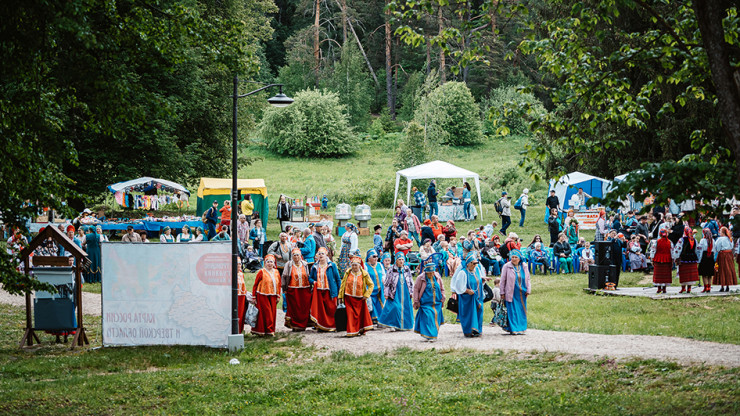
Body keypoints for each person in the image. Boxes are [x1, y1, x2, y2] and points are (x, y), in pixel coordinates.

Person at [338, 256, 374, 337]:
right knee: (350, 315)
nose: (354, 267)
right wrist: (340, 296)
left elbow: (371, 285)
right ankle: (351, 331)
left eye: (356, 265)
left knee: (360, 315)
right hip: (349, 297)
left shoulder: (364, 274)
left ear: (359, 266)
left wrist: (366, 295)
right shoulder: (348, 273)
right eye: (353, 265)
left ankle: (360, 329)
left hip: (360, 299)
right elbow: (342, 285)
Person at [451, 252, 485, 337]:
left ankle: (478, 330)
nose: (475, 265)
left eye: (476, 263)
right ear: (468, 263)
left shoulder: (477, 270)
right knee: (469, 314)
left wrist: (483, 280)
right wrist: (467, 291)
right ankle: (469, 331)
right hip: (467, 298)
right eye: (473, 263)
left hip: (477, 296)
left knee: (479, 311)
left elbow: (478, 280)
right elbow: (459, 287)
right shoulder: (463, 273)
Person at [378, 253, 414, 331]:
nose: (401, 261)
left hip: (405, 292)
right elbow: (387, 283)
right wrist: (386, 293)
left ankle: (403, 326)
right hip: (395, 292)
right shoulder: (391, 269)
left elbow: (411, 281)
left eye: (402, 259)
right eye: (399, 260)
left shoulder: (407, 268)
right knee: (395, 307)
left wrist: (411, 292)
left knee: (405, 308)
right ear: (396, 261)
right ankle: (392, 324)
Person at [309, 247, 342, 331]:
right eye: (319, 253)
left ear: (326, 254)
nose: (321, 255)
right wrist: (314, 282)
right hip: (319, 291)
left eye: (322, 253)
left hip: (330, 291)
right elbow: (310, 278)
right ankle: (321, 326)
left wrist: (339, 292)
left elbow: (338, 279)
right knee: (321, 310)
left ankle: (333, 326)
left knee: (331, 309)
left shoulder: (332, 265)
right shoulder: (315, 266)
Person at [500, 249, 531, 335]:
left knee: (521, 310)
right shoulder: (507, 266)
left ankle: (522, 328)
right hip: (511, 293)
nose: (513, 259)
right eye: (512, 257)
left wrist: (528, 290)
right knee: (512, 311)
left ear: (519, 258)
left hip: (521, 293)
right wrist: (502, 293)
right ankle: (513, 329)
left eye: (515, 257)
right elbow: (502, 280)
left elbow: (528, 279)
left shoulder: (524, 266)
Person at [413, 262, 446, 341]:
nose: (431, 274)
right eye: (429, 273)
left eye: (432, 272)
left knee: (435, 318)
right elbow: (416, 290)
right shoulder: (420, 278)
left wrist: (443, 298)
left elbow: (441, 287)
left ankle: (432, 334)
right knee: (428, 317)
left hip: (437, 303)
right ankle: (430, 335)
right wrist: (416, 301)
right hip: (426, 303)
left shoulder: (437, 276)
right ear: (426, 272)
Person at [250, 254, 281, 336]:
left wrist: (278, 295)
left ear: (274, 263)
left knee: (272, 313)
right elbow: (255, 284)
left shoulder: (276, 272)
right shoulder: (261, 272)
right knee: (267, 313)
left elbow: (279, 284)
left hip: (273, 295)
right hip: (262, 295)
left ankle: (269, 330)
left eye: (271, 262)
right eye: (268, 262)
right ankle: (268, 330)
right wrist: (254, 296)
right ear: (265, 263)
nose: (270, 264)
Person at [281, 248, 312, 331]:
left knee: (304, 307)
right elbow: (284, 276)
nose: (296, 257)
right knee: (294, 308)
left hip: (305, 289)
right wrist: (284, 288)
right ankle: (295, 325)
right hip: (293, 289)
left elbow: (309, 275)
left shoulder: (305, 264)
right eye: (294, 255)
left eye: (298, 255)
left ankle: (304, 324)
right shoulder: (289, 264)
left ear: (300, 256)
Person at [673, 226, 700, 293]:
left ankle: (683, 288)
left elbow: (677, 249)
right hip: (692, 259)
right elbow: (697, 250)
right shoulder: (694, 240)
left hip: (684, 259)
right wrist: (698, 258)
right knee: (690, 274)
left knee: (684, 274)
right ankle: (689, 288)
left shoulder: (681, 240)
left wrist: (676, 257)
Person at [365, 249, 386, 324]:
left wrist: (384, 281)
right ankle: (372, 320)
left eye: (377, 256)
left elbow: (383, 275)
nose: (376, 258)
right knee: (371, 305)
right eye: (374, 256)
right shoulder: (366, 266)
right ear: (369, 258)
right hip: (371, 290)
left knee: (380, 304)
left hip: (380, 290)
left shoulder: (380, 265)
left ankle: (380, 320)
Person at [713, 227, 737, 292]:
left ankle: (722, 286)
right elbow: (732, 246)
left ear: (723, 232)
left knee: (722, 270)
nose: (719, 233)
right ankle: (727, 286)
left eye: (720, 231)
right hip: (729, 255)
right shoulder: (729, 238)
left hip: (722, 255)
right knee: (728, 269)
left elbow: (717, 248)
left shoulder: (720, 239)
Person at [650, 229, 674, 294]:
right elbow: (672, 251)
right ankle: (664, 289)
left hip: (658, 259)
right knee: (665, 274)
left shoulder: (657, 242)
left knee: (658, 274)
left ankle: (659, 289)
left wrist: (652, 258)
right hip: (667, 259)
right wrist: (673, 259)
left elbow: (653, 250)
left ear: (660, 234)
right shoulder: (670, 242)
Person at [697, 228, 715, 293]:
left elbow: (700, 250)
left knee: (704, 274)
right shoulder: (713, 240)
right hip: (711, 257)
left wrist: (699, 259)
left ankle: (706, 287)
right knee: (710, 274)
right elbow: (714, 249)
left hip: (704, 257)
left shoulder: (703, 240)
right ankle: (709, 287)